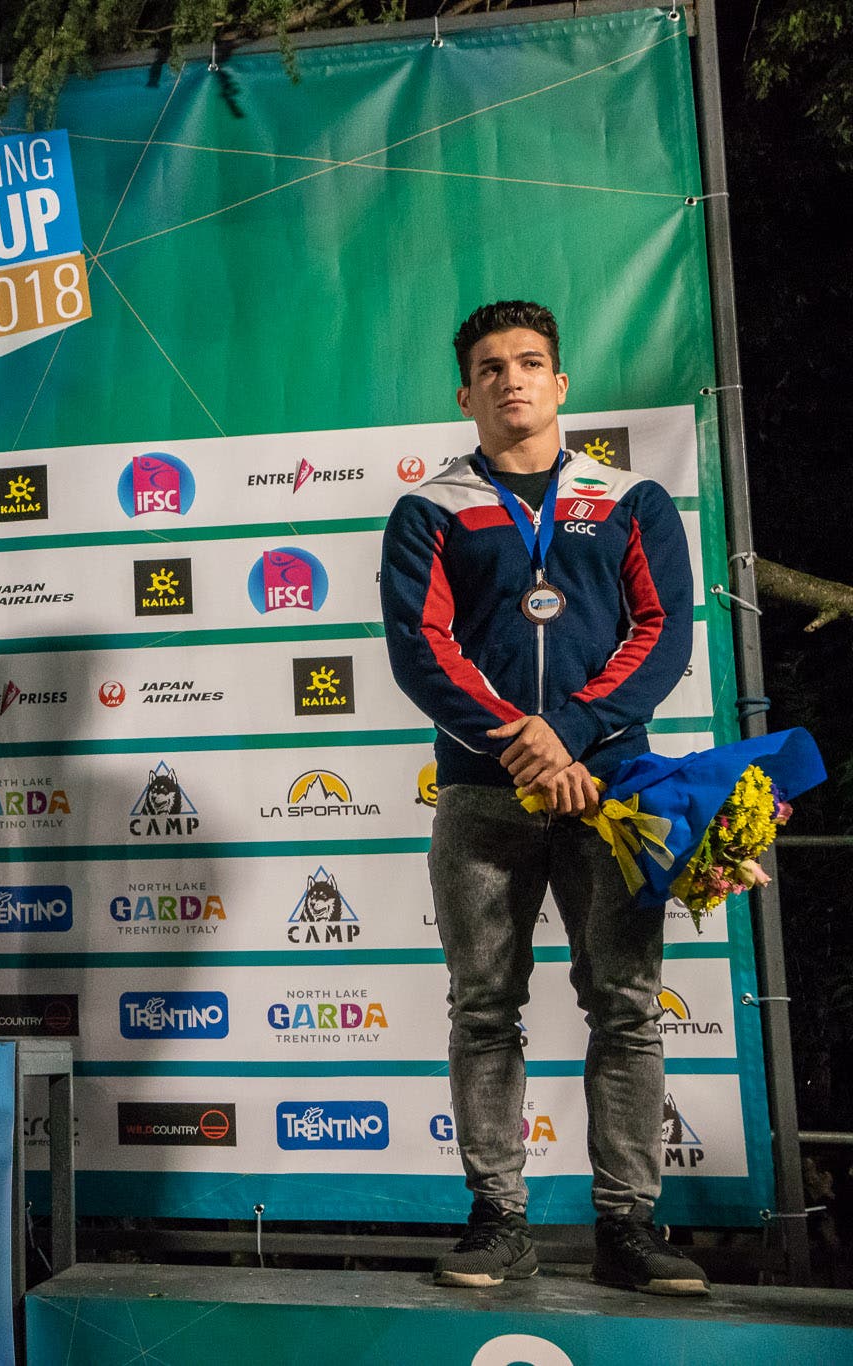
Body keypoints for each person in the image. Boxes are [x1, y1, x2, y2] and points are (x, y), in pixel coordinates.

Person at [380, 301, 706, 1295]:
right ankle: (498, 1221)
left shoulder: (630, 498)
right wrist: (525, 748)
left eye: (528, 363)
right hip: (482, 797)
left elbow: (662, 631)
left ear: (559, 384)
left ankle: (628, 1227)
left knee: (627, 1007)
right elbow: (422, 649)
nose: (510, 379)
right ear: (464, 393)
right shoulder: (429, 509)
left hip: (610, 792)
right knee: (483, 1007)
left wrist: (572, 730)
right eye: (490, 367)